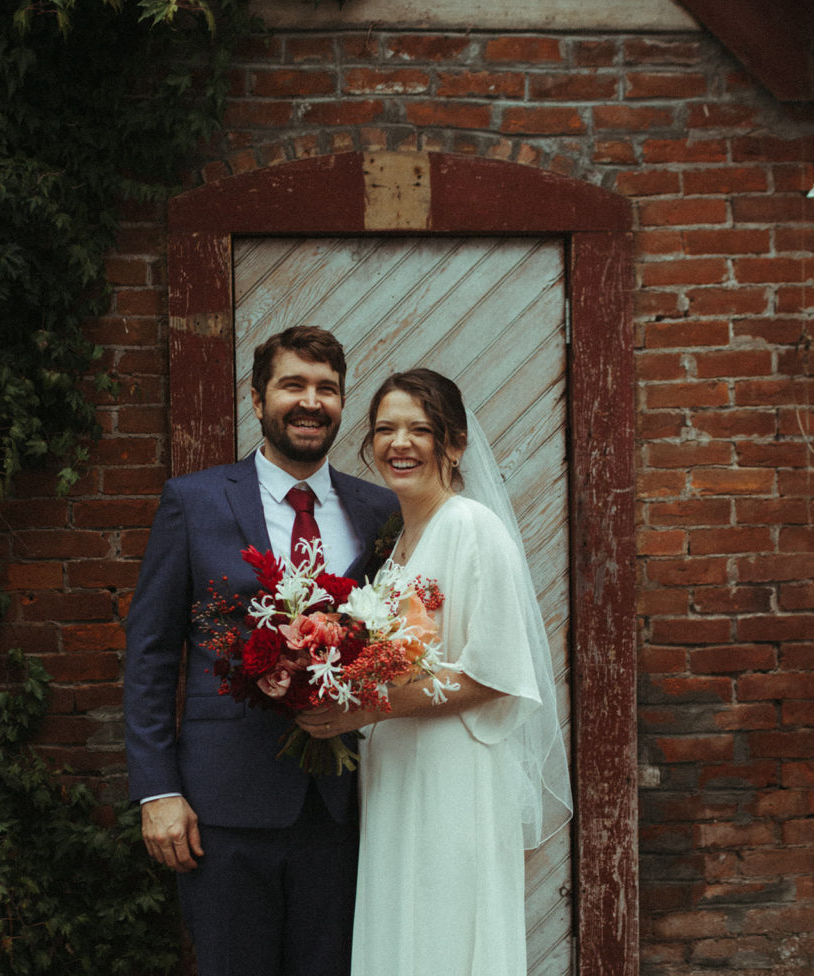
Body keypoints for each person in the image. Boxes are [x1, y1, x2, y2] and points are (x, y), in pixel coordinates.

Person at [123, 326, 398, 976]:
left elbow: (396, 641)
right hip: (223, 805)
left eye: (326, 388)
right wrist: (157, 790)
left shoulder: (380, 510)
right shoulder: (193, 503)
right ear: (256, 399)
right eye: (292, 385)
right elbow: (151, 655)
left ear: (340, 401)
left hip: (342, 807)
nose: (311, 402)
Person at [298, 368, 572, 976]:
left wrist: (368, 707)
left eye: (420, 429)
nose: (400, 443)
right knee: (401, 934)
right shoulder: (395, 546)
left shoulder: (472, 528)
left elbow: (494, 675)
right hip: (394, 768)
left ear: (454, 443)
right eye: (385, 430)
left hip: (454, 772)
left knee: (447, 933)